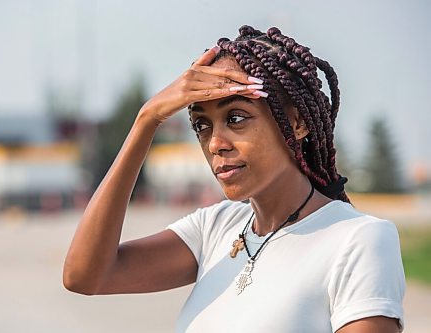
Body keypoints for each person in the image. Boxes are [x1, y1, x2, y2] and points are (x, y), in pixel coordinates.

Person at [63, 25, 405, 332]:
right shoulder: (216, 227)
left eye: (237, 118)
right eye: (201, 125)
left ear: (297, 123)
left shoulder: (358, 240)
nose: (215, 143)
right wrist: (146, 120)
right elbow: (86, 276)